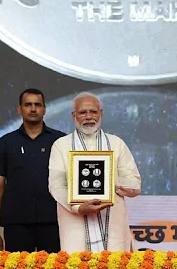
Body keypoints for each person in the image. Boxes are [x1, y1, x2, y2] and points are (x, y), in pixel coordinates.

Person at [48, 92, 141, 252]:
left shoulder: (116, 143)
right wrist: (77, 207)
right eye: (83, 112)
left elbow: (135, 186)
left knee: (115, 261)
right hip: (75, 226)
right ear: (74, 115)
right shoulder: (61, 145)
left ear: (101, 113)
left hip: (113, 227)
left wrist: (109, 179)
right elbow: (56, 185)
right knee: (77, 262)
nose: (89, 117)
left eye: (93, 111)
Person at [0, 88, 66, 252]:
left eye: (37, 105)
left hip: (54, 222)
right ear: (20, 109)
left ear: (44, 109)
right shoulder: (5, 143)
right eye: (28, 105)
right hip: (16, 225)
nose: (33, 109)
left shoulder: (60, 141)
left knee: (55, 264)